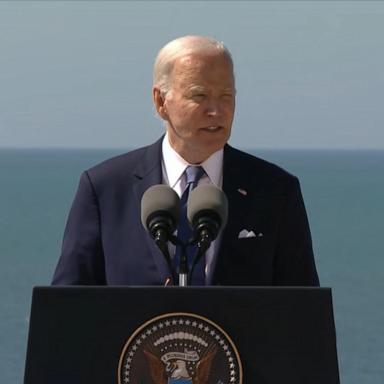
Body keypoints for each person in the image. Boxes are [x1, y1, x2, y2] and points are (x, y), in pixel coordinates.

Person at [52, 35, 319, 286]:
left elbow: (305, 312)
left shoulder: (275, 191)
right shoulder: (104, 189)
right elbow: (67, 308)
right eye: (199, 96)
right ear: (160, 101)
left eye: (226, 96)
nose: (216, 110)